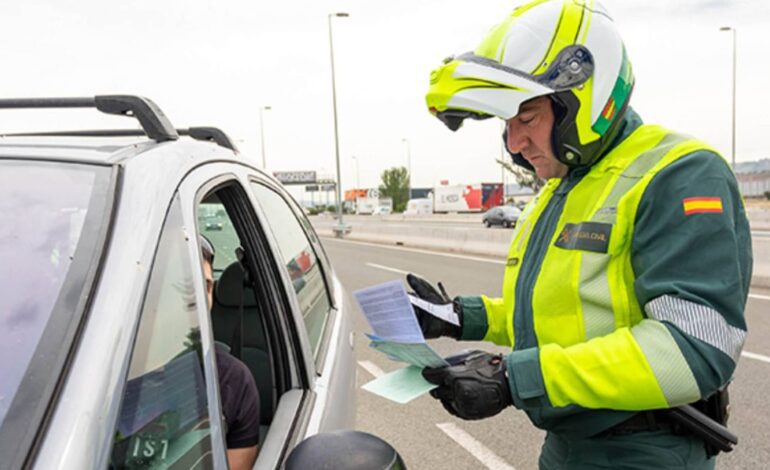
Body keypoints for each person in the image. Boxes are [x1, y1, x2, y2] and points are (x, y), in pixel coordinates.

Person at [412, 1, 752, 468]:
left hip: (643, 452)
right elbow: (563, 312)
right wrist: (459, 317)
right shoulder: (567, 183)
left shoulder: (679, 173)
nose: (513, 142)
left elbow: (693, 348)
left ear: (582, 100)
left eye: (526, 118)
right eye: (506, 124)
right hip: (568, 446)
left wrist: (516, 378)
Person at [200, 236, 261, 470]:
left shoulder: (232, 380)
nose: (194, 297)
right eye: (184, 284)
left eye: (204, 286)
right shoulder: (92, 371)